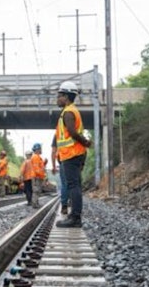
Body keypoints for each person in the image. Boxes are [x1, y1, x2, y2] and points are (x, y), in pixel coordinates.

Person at [55, 81, 92, 228]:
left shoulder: (69, 112)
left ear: (66, 96)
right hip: (73, 154)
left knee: (73, 185)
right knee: (74, 185)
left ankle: (75, 218)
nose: (57, 99)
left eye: (59, 96)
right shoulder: (71, 110)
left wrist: (86, 142)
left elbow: (72, 132)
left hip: (72, 154)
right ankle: (74, 216)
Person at [51, 136, 69, 215]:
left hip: (63, 161)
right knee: (74, 185)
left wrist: (54, 166)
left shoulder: (59, 133)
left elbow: (53, 152)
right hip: (75, 161)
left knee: (64, 184)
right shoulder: (75, 129)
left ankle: (64, 206)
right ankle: (75, 207)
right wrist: (82, 163)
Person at [30, 143, 47, 208]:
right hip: (36, 177)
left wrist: (44, 163)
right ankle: (34, 204)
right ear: (37, 149)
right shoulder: (35, 157)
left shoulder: (38, 157)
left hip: (38, 176)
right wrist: (42, 175)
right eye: (40, 148)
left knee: (37, 191)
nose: (41, 150)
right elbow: (36, 169)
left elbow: (40, 167)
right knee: (36, 190)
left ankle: (36, 203)